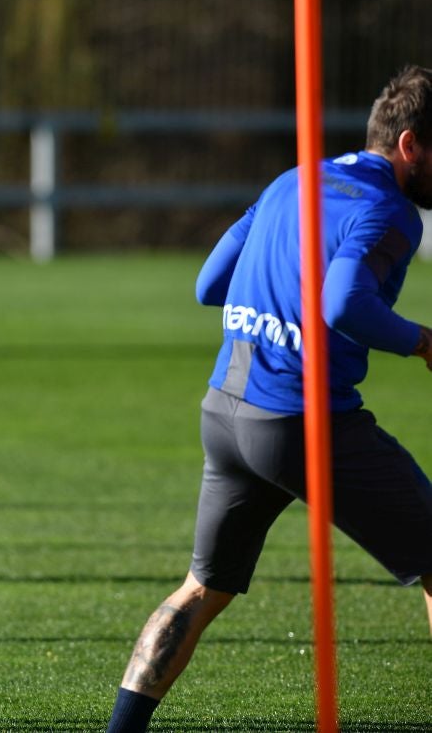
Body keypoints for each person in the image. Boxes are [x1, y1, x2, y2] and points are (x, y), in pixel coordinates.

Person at [106, 65, 432, 733]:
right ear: (410, 146)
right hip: (302, 420)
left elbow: (209, 284)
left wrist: (274, 306)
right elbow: (343, 303)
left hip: (225, 411)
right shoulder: (390, 209)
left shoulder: (293, 180)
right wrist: (423, 342)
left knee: (203, 586)